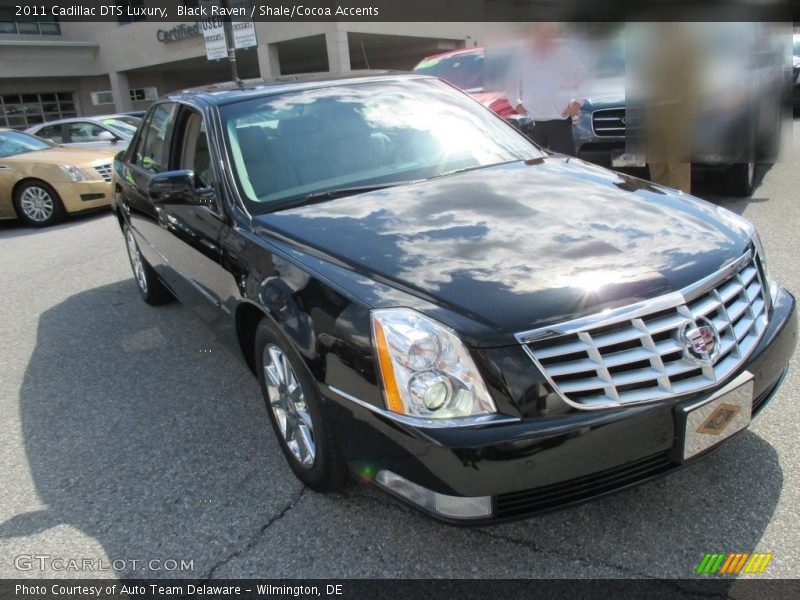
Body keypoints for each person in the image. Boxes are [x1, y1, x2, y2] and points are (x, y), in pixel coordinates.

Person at [505, 23, 590, 155]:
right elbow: (510, 83)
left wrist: (578, 103)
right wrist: (517, 105)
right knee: (536, 169)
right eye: (539, 32)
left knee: (565, 167)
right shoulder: (523, 53)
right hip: (532, 124)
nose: (542, 36)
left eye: (546, 33)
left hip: (559, 122)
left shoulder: (563, 51)